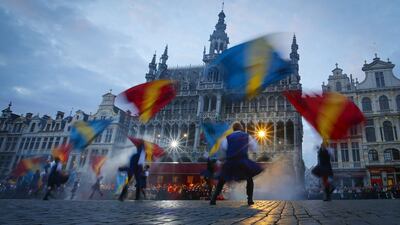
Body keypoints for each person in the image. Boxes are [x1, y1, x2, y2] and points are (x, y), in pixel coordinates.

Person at [210, 122, 263, 206]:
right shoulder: (246, 136)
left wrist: (222, 161)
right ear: (241, 128)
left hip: (230, 162)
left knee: (222, 180)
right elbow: (254, 147)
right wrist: (252, 152)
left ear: (233, 129)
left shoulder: (227, 138)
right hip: (242, 161)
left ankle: (213, 199)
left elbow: (223, 150)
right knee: (249, 179)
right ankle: (249, 199)